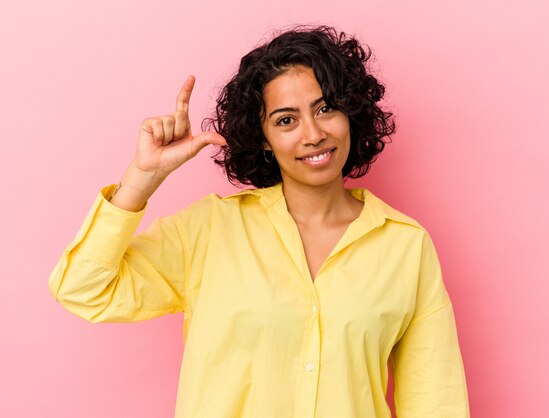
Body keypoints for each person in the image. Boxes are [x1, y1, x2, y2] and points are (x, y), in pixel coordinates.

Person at [49, 25, 470, 418]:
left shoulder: (405, 246)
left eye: (325, 109)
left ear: (351, 114)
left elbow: (436, 400)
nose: (312, 134)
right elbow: (84, 290)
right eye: (286, 120)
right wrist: (142, 179)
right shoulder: (210, 230)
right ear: (264, 139)